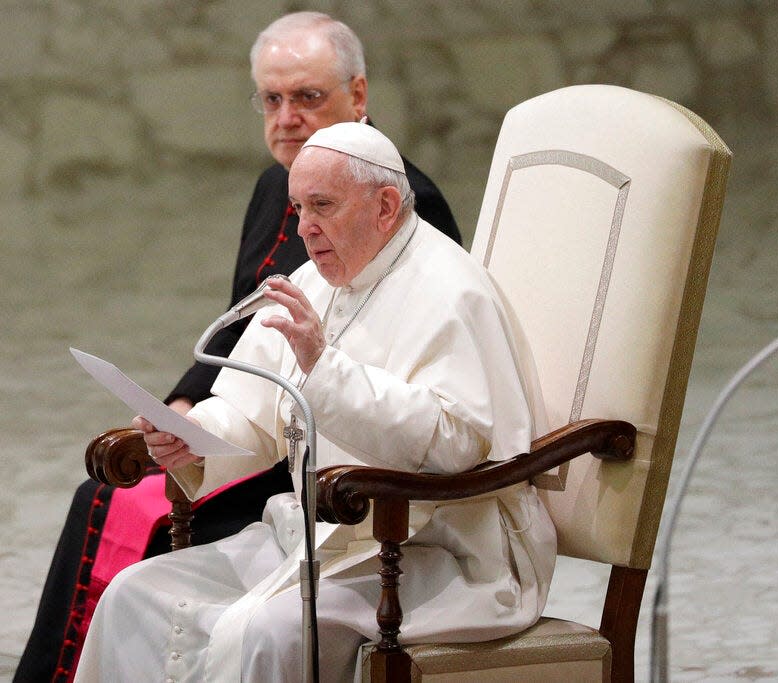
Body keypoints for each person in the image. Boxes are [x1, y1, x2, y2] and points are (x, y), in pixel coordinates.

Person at [15, 12, 460, 682]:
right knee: (113, 480)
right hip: (262, 421)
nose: (287, 117)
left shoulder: (399, 202)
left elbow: (397, 383)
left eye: (308, 97)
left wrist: (224, 420)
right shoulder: (273, 187)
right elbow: (237, 334)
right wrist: (184, 408)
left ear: (359, 96)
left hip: (331, 459)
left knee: (111, 499)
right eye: (272, 99)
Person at [74, 122, 555, 682]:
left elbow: (455, 444)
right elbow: (252, 412)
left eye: (322, 206)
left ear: (385, 205)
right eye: (298, 208)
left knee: (266, 630)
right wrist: (191, 435)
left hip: (436, 550)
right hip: (315, 537)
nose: (305, 228)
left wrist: (325, 369)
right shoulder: (317, 280)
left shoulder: (453, 290)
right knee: (134, 594)